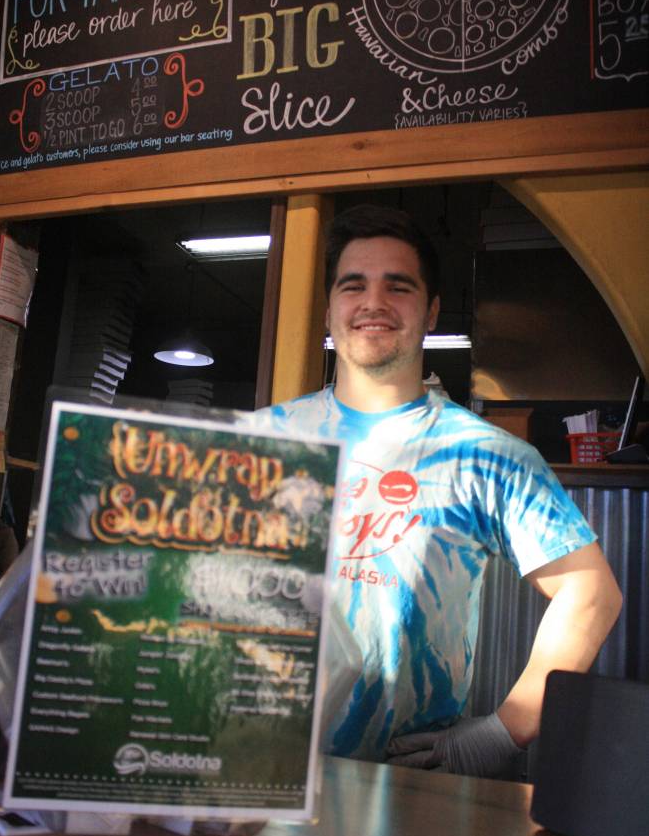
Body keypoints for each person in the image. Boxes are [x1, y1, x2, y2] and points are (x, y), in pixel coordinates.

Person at [257, 204, 623, 778]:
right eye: (353, 285)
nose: (373, 303)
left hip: (406, 788)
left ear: (429, 312)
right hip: (257, 765)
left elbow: (592, 594)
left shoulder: (486, 455)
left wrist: (505, 731)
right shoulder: (260, 440)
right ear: (329, 309)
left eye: (397, 287)